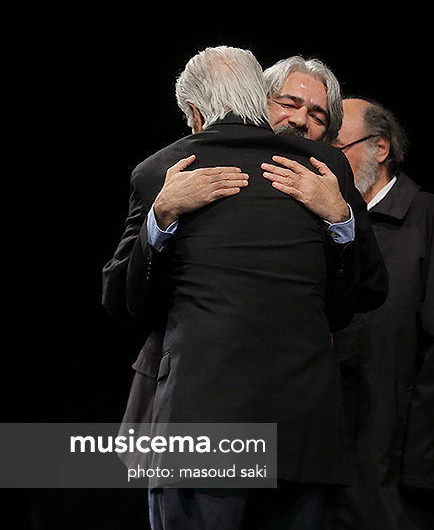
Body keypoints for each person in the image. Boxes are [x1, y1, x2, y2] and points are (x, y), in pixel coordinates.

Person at [102, 46, 386, 529]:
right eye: (289, 104)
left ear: (195, 113)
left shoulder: (164, 169)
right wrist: (162, 214)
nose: (299, 120)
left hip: (208, 431)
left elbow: (127, 303)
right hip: (300, 436)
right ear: (260, 98)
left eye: (316, 114)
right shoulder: (329, 167)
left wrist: (340, 218)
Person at [327, 97, 434, 530]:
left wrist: (427, 467)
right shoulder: (326, 224)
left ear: (380, 148)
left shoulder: (430, 218)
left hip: (396, 473)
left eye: (337, 148)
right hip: (328, 461)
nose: (326, 161)